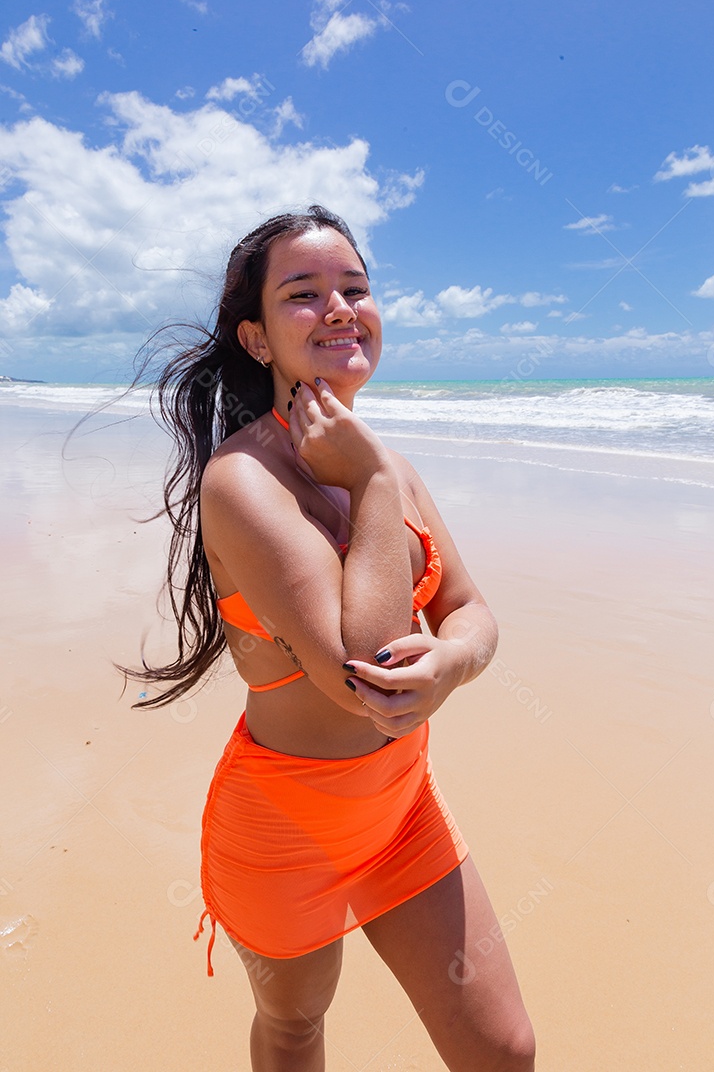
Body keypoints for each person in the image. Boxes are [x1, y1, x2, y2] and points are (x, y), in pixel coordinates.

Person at [130, 206, 535, 1071]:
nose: (341, 307)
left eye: (355, 287)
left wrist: (456, 661)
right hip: (284, 831)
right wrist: (376, 482)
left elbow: (471, 610)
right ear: (258, 337)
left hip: (404, 808)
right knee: (295, 1027)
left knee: (504, 1053)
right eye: (305, 294)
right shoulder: (242, 482)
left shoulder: (382, 463)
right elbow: (365, 677)